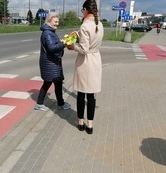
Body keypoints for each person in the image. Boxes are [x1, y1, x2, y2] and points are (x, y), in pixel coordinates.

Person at [67, 0, 104, 134]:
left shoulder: (84, 26)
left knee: (81, 94)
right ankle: (90, 125)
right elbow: (93, 43)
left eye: (82, 10)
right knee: (91, 95)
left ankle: (80, 122)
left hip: (85, 62)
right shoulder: (99, 24)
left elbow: (84, 49)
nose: (82, 12)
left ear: (85, 10)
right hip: (96, 60)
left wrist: (72, 46)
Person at [34, 12, 71, 111]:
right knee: (48, 83)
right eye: (55, 22)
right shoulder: (47, 33)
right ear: (49, 21)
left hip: (52, 62)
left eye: (58, 22)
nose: (57, 23)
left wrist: (63, 42)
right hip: (50, 63)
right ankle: (40, 103)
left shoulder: (50, 32)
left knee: (57, 83)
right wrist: (64, 43)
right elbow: (52, 48)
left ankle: (60, 103)